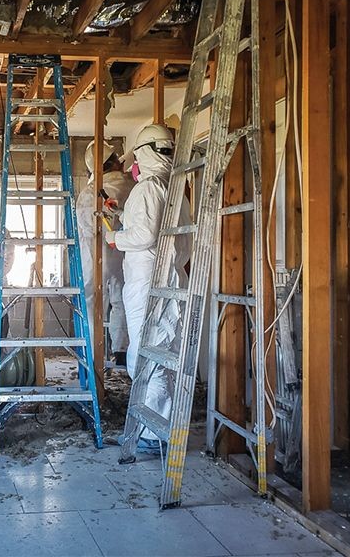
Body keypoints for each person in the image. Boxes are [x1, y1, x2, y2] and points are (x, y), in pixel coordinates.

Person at [104, 123, 191, 453]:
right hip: (170, 280)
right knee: (164, 352)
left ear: (145, 153)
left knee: (145, 357)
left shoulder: (147, 187)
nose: (132, 167)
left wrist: (115, 237)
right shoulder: (173, 186)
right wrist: (124, 212)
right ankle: (161, 426)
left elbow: (143, 236)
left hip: (147, 283)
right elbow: (156, 224)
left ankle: (153, 435)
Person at [76, 140, 134, 363]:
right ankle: (121, 351)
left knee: (91, 302)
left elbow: (85, 226)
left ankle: (92, 356)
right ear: (116, 163)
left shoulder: (90, 193)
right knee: (122, 299)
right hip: (123, 252)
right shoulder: (131, 186)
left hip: (94, 254)